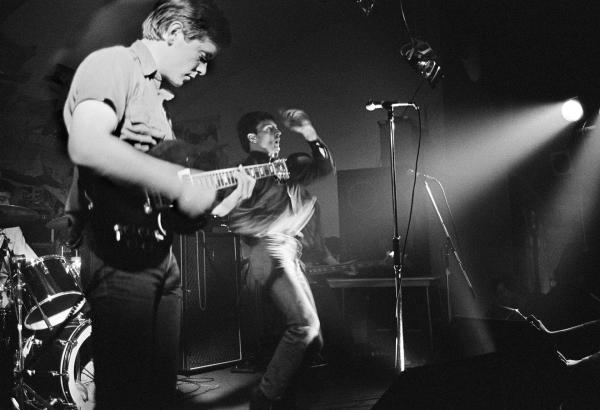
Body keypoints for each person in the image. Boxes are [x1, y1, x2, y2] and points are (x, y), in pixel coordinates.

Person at [62, 1, 254, 409]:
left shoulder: (157, 103)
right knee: (126, 394)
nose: (203, 71)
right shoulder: (115, 64)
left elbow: (154, 198)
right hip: (121, 258)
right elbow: (87, 142)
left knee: (155, 393)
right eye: (202, 56)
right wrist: (175, 183)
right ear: (173, 33)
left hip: (159, 257)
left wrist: (218, 197)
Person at [225, 109, 335, 409]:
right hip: (269, 248)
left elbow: (323, 168)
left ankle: (284, 398)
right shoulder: (246, 171)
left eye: (278, 129)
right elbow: (233, 216)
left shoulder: (284, 166)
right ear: (252, 138)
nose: (278, 134)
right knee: (303, 325)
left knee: (313, 340)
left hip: (288, 249)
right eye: (270, 129)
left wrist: (310, 134)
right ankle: (264, 399)